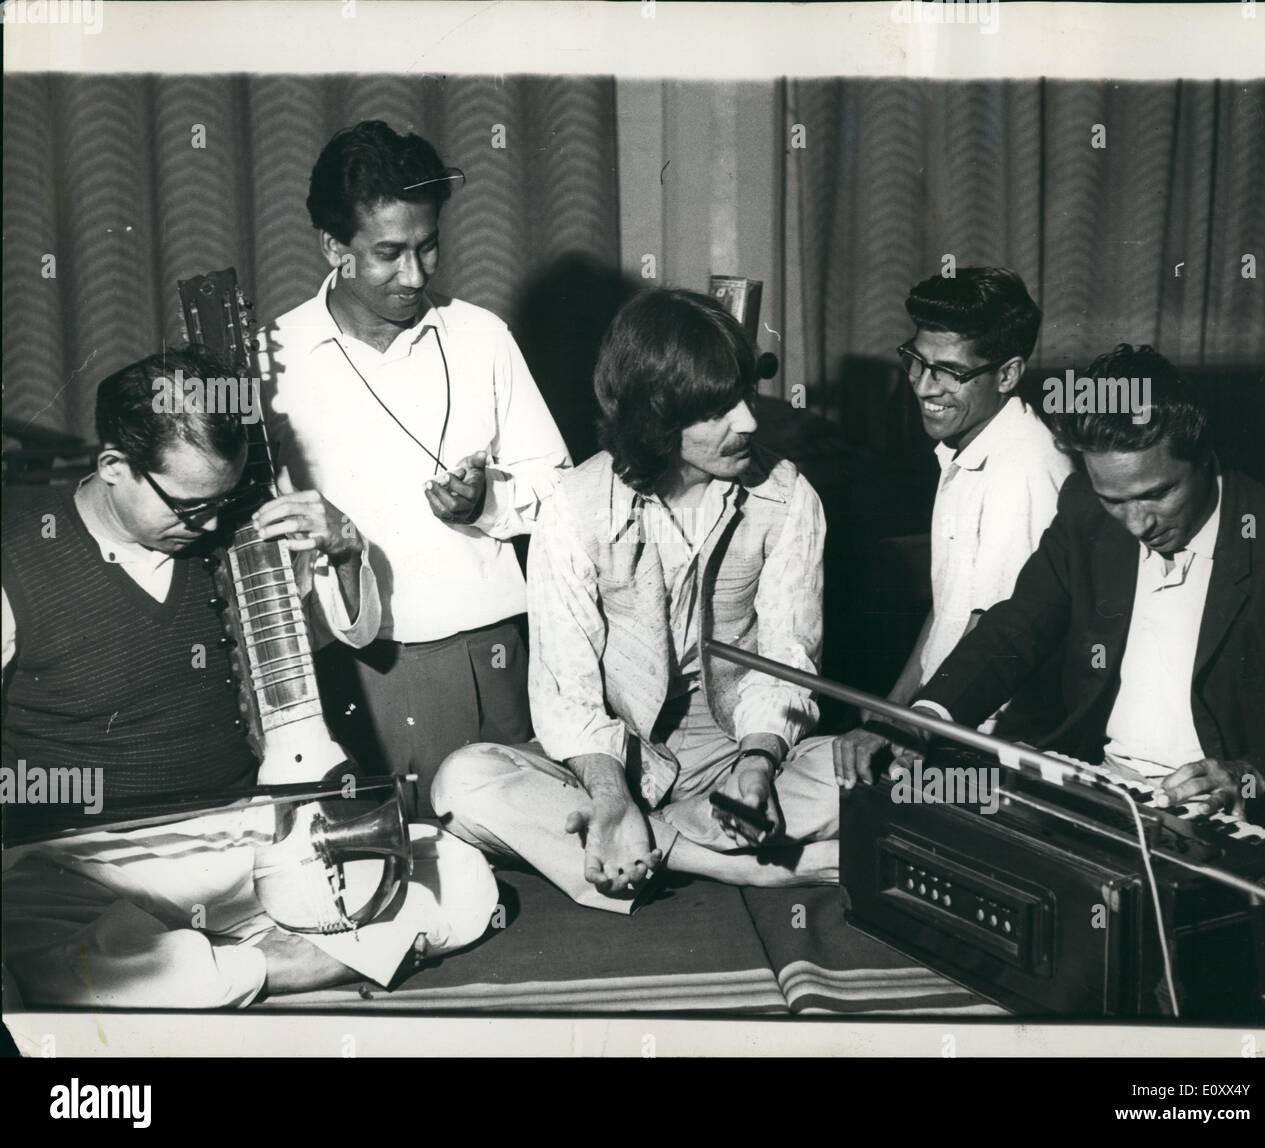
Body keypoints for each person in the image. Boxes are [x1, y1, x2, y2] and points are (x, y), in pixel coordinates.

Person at [1, 347, 497, 1008]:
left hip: (244, 843)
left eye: (224, 501)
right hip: (81, 862)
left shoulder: (237, 534)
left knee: (462, 875)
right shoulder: (18, 557)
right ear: (115, 467)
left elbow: (344, 631)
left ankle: (215, 970)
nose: (210, 524)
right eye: (188, 507)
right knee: (27, 936)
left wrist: (345, 550)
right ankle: (283, 964)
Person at [431, 288, 839, 913]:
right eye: (717, 411)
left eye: (745, 399)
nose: (750, 424)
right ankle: (742, 867)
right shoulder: (573, 506)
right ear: (657, 416)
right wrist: (612, 798)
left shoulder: (788, 499)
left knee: (886, 778)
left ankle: (644, 847)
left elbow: (785, 659)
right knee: (464, 782)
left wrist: (757, 766)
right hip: (609, 759)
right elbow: (566, 689)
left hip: (732, 757)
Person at [257, 120, 571, 817]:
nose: (417, 275)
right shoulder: (271, 360)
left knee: (527, 864)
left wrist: (487, 503)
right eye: (389, 253)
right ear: (334, 246)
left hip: (492, 659)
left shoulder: (483, 337)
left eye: (428, 248)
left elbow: (561, 492)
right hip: (356, 671)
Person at [860, 344, 1265, 830]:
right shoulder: (1087, 511)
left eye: (1157, 494)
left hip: (1224, 816)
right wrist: (929, 713)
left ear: (1204, 457)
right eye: (1115, 500)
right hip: (1101, 782)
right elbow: (1018, 623)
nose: (1137, 523)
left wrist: (1251, 773)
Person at [834, 267, 1072, 789]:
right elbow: (949, 614)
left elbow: (993, 633)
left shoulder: (1024, 470)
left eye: (948, 372)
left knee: (800, 804)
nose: (922, 386)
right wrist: (887, 713)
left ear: (1007, 375)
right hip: (934, 726)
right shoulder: (965, 448)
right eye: (916, 361)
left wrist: (909, 729)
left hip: (986, 746)